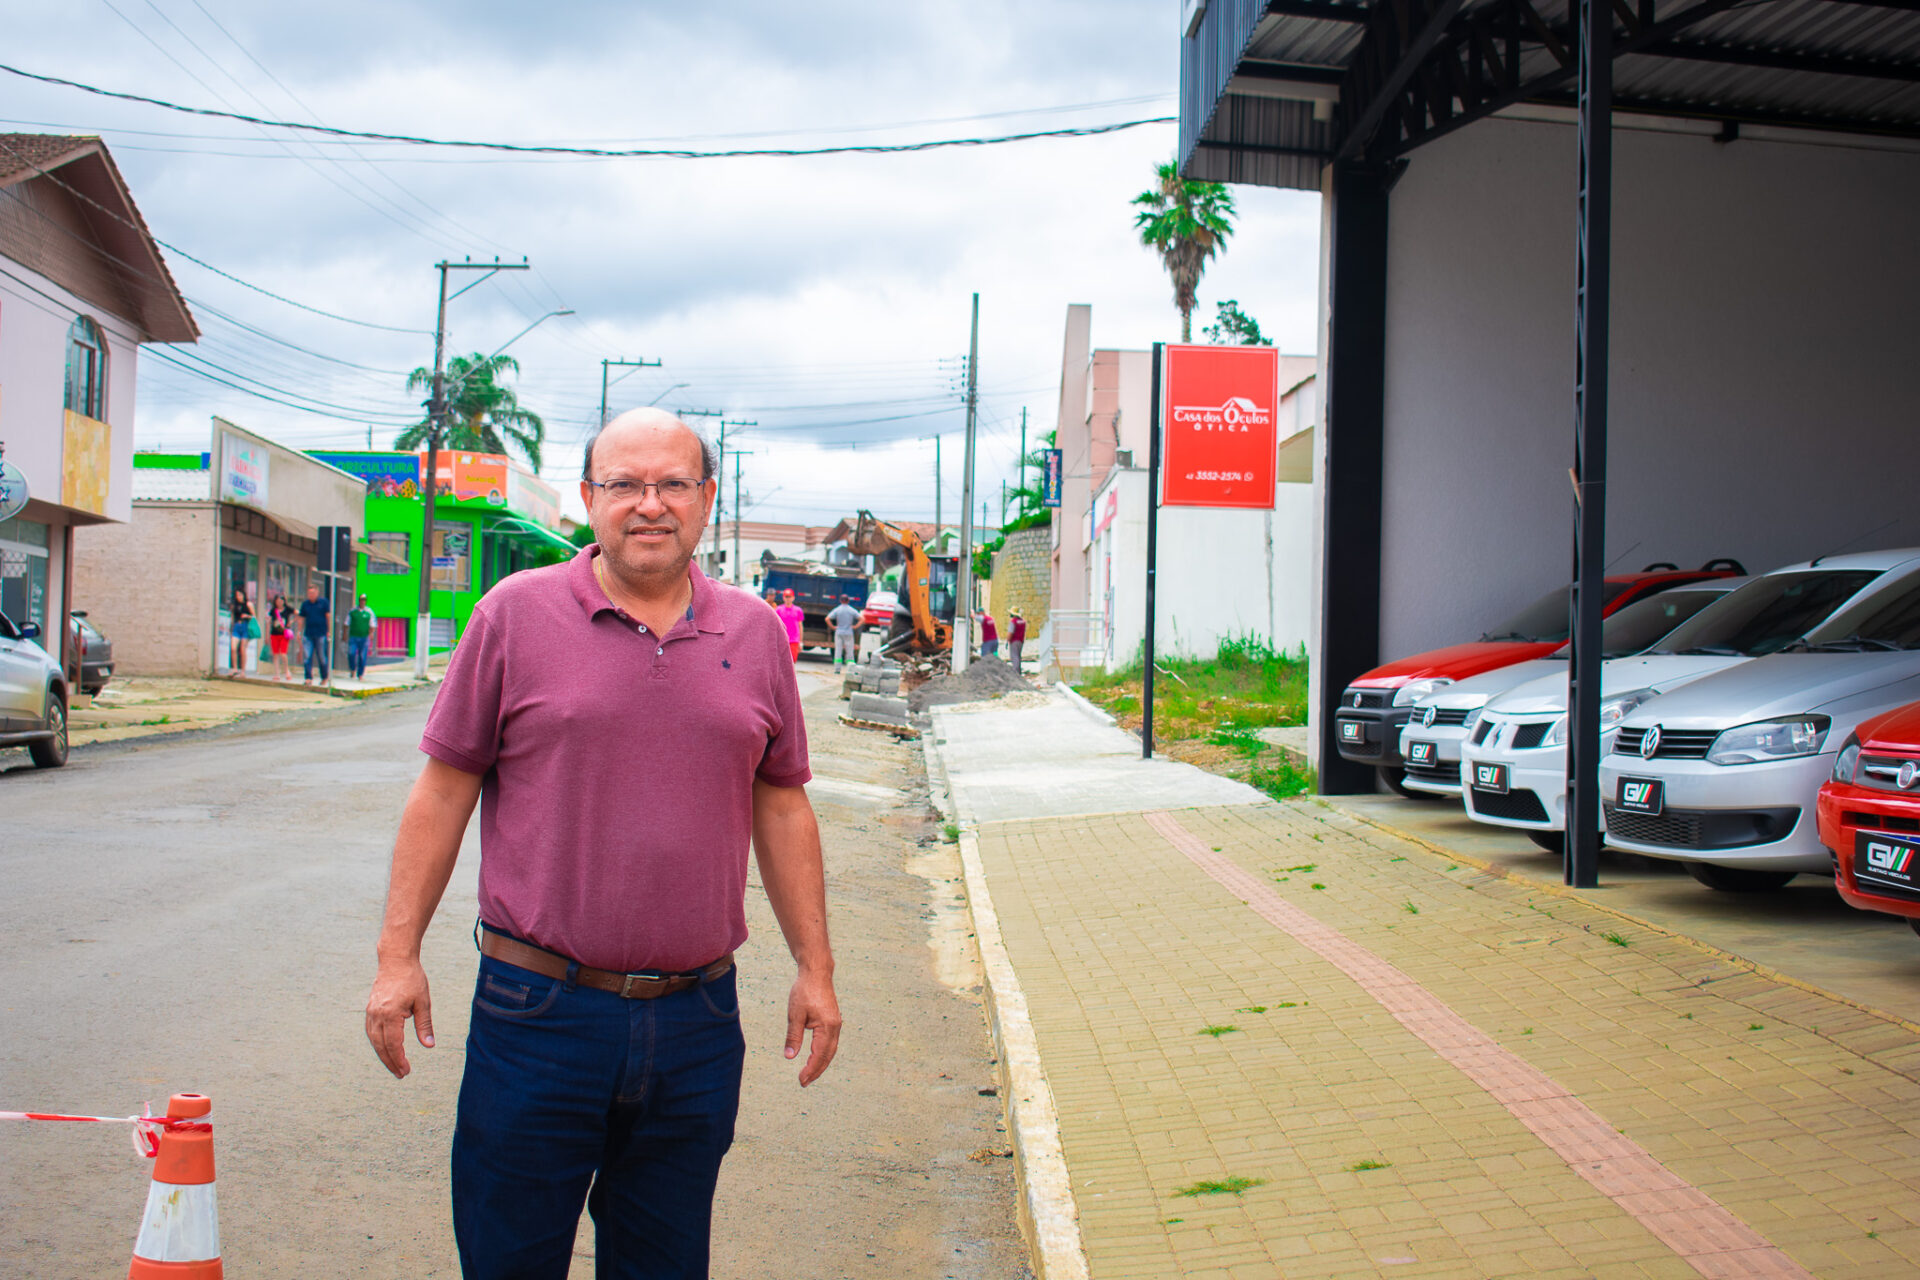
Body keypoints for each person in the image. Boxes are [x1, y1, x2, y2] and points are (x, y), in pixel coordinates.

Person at [363, 408, 839, 1280]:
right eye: (624, 485)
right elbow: (443, 791)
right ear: (589, 499)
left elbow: (783, 807)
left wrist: (816, 968)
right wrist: (399, 957)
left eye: (671, 484)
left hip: (697, 1022)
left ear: (705, 500)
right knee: (510, 1264)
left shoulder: (756, 636)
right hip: (538, 1015)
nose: (648, 505)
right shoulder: (514, 615)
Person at [298, 583, 330, 684]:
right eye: (309, 593)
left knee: (321, 656)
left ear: (317, 592)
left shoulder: (323, 603)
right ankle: (308, 677)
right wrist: (299, 631)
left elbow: (328, 616)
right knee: (307, 656)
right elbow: (301, 618)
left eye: (313, 593)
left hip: (321, 633)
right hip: (308, 634)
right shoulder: (305, 604)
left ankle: (324, 676)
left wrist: (329, 631)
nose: (311, 595)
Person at [825, 594, 860, 669]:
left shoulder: (837, 609)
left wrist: (833, 627)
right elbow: (862, 619)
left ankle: (837, 669)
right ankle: (850, 669)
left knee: (838, 650)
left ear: (840, 601)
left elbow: (827, 619)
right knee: (850, 650)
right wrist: (855, 626)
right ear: (848, 601)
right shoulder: (851, 610)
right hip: (849, 633)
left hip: (839, 632)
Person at [346, 593, 375, 681]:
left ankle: (360, 674)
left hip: (364, 637)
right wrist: (344, 634)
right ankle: (352, 669)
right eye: (361, 599)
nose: (363, 601)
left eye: (364, 600)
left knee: (362, 656)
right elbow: (346, 623)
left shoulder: (369, 612)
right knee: (351, 653)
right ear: (359, 600)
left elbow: (372, 625)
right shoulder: (353, 611)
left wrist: (371, 634)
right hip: (353, 636)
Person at [266, 593, 294, 681]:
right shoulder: (273, 611)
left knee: (283, 653)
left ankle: (286, 671)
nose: (279, 602)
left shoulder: (288, 609)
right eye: (277, 601)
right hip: (274, 634)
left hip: (284, 634)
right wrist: (267, 636)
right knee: (275, 654)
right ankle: (277, 673)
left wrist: (291, 622)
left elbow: (298, 613)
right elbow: (269, 622)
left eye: (281, 601)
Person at [775, 589, 805, 663]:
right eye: (786, 597)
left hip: (794, 640)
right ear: (783, 598)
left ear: (793, 598)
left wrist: (800, 641)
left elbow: (800, 626)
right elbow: (775, 626)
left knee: (792, 661)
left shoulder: (798, 610)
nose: (788, 599)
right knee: (780, 661)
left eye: (789, 597)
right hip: (781, 639)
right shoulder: (778, 609)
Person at [229, 588, 255, 673]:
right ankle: (235, 668)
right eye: (237, 595)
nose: (238, 597)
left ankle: (243, 670)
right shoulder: (235, 605)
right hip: (237, 626)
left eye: (240, 595)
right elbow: (233, 616)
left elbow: (254, 617)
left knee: (243, 649)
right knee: (233, 648)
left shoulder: (248, 604)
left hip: (245, 626)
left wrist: (247, 616)